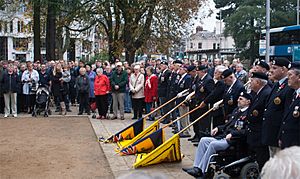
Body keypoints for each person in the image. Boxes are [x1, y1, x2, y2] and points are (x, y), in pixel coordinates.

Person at [182, 92, 252, 178]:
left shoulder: (248, 114)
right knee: (203, 140)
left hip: (234, 140)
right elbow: (227, 125)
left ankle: (202, 170)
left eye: (241, 99)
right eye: (238, 98)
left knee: (213, 144)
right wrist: (218, 128)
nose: (238, 100)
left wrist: (232, 134)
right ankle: (196, 167)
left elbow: (246, 130)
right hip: (224, 136)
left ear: (248, 102)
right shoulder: (236, 110)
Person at [262, 57, 293, 157]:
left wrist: (281, 135)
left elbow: (286, 113)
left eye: (275, 68)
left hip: (278, 135)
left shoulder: (289, 87)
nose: (271, 70)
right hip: (271, 134)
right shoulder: (277, 85)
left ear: (283, 69)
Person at [246, 72, 272, 171]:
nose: (249, 83)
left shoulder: (266, 93)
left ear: (258, 82)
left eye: (251, 81)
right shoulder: (259, 93)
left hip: (260, 134)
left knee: (263, 161)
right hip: (254, 133)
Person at [278, 62, 300, 149]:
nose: (287, 78)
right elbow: (286, 119)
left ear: (299, 77)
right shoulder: (293, 94)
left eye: (290, 75)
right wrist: (281, 136)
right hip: (288, 142)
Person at [176, 65, 192, 138]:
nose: (179, 70)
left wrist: (186, 101)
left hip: (183, 100)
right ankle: (183, 129)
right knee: (181, 116)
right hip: (179, 99)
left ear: (185, 70)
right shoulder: (181, 77)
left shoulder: (187, 78)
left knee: (184, 116)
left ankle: (186, 131)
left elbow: (188, 90)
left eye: (181, 69)